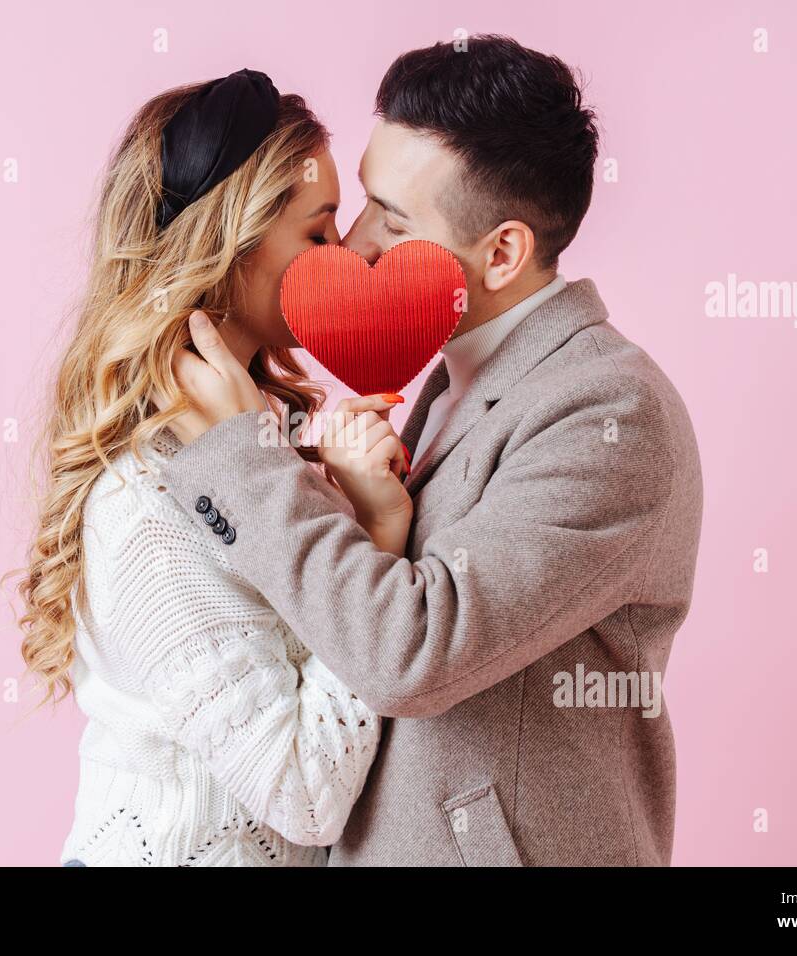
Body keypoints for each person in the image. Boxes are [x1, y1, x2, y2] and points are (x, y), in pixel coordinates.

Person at [160, 37, 705, 866]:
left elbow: (411, 654)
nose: (352, 240)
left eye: (394, 216)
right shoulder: (455, 382)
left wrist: (245, 458)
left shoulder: (610, 414)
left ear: (502, 253)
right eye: (366, 200)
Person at [13, 70, 397, 866]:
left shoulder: (256, 443)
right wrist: (377, 537)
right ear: (233, 245)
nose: (346, 256)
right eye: (319, 233)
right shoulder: (148, 507)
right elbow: (305, 791)